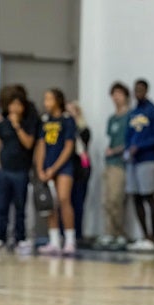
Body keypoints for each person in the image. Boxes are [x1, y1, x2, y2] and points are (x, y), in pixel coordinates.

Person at [124, 79, 154, 252]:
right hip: (133, 160)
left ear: (146, 91)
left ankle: (153, 236)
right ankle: (143, 235)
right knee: (136, 197)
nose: (138, 93)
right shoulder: (133, 113)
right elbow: (129, 134)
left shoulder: (153, 111)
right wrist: (128, 148)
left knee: (149, 196)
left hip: (147, 158)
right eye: (136, 90)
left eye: (141, 90)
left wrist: (140, 146)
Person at [0, 87, 36, 250]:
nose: (15, 108)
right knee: (2, 206)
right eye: (12, 105)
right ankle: (0, 238)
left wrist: (17, 126)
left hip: (21, 170)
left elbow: (29, 143)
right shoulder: (2, 124)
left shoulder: (27, 123)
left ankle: (20, 238)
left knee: (20, 206)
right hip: (5, 170)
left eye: (19, 105)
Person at [34, 88, 76, 256]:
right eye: (45, 99)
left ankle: (70, 240)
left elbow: (69, 146)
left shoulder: (67, 120)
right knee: (50, 203)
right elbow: (41, 145)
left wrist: (54, 168)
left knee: (64, 199)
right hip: (47, 166)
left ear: (58, 100)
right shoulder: (45, 120)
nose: (46, 102)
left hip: (63, 166)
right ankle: (54, 241)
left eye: (49, 99)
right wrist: (40, 168)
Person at [94, 82, 130, 250]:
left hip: (121, 162)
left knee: (117, 199)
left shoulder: (130, 116)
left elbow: (129, 141)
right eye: (113, 94)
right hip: (109, 162)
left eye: (119, 94)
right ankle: (109, 232)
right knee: (107, 200)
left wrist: (116, 150)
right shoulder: (112, 118)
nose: (116, 97)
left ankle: (120, 233)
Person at [66, 100, 91, 244]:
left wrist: (74, 127)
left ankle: (78, 234)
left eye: (72, 111)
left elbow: (82, 148)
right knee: (65, 201)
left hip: (81, 169)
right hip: (67, 169)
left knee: (78, 202)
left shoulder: (84, 130)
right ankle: (65, 233)